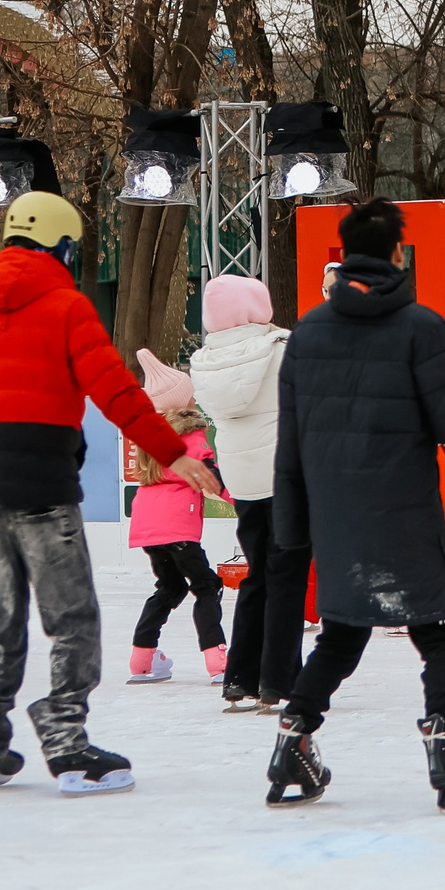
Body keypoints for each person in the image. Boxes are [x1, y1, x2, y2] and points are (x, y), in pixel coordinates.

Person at [0, 192, 217, 796]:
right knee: (73, 617)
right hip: (42, 483)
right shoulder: (66, 306)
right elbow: (117, 392)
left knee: (0, 614)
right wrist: (172, 453)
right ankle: (67, 743)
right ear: (61, 245)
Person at [266, 197, 445, 811]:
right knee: (438, 637)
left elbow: (291, 443)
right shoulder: (423, 329)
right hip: (404, 515)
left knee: (340, 635)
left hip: (338, 520)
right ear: (398, 254)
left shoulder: (307, 334)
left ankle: (291, 739)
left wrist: (291, 530)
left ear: (345, 253)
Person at [188, 274, 303, 714]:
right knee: (287, 575)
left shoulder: (205, 361)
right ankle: (278, 678)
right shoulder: (281, 348)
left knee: (258, 574)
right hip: (286, 474)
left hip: (244, 479)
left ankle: (240, 678)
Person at [122, 353, 229, 685]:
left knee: (169, 587)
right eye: (191, 393)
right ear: (183, 401)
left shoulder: (149, 437)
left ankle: (142, 660)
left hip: (148, 525)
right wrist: (245, 499)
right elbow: (210, 478)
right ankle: (218, 661)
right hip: (178, 526)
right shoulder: (193, 437)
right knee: (206, 586)